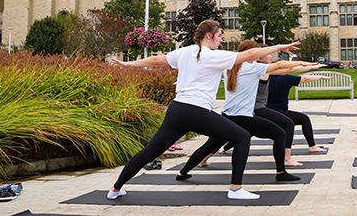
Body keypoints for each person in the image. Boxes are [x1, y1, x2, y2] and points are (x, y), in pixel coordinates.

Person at [107, 20, 300, 201]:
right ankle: (235, 189)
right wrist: (279, 47)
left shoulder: (184, 52)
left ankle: (115, 189)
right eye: (219, 35)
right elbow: (249, 56)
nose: (221, 39)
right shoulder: (214, 56)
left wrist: (129, 64)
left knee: (149, 152)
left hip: (176, 110)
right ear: (209, 35)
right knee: (242, 136)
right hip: (196, 112)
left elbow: (156, 60)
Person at [177, 40, 317, 181]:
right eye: (256, 53)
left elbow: (205, 74)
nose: (258, 56)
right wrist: (304, 64)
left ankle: (183, 172)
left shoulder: (228, 67)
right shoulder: (252, 68)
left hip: (227, 116)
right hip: (244, 117)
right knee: (280, 134)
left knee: (209, 146)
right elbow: (280, 65)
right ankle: (281, 173)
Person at [266, 73, 332, 154]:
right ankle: (312, 146)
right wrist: (321, 77)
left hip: (265, 112)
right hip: (280, 112)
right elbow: (305, 79)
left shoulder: (265, 78)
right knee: (303, 120)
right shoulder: (285, 79)